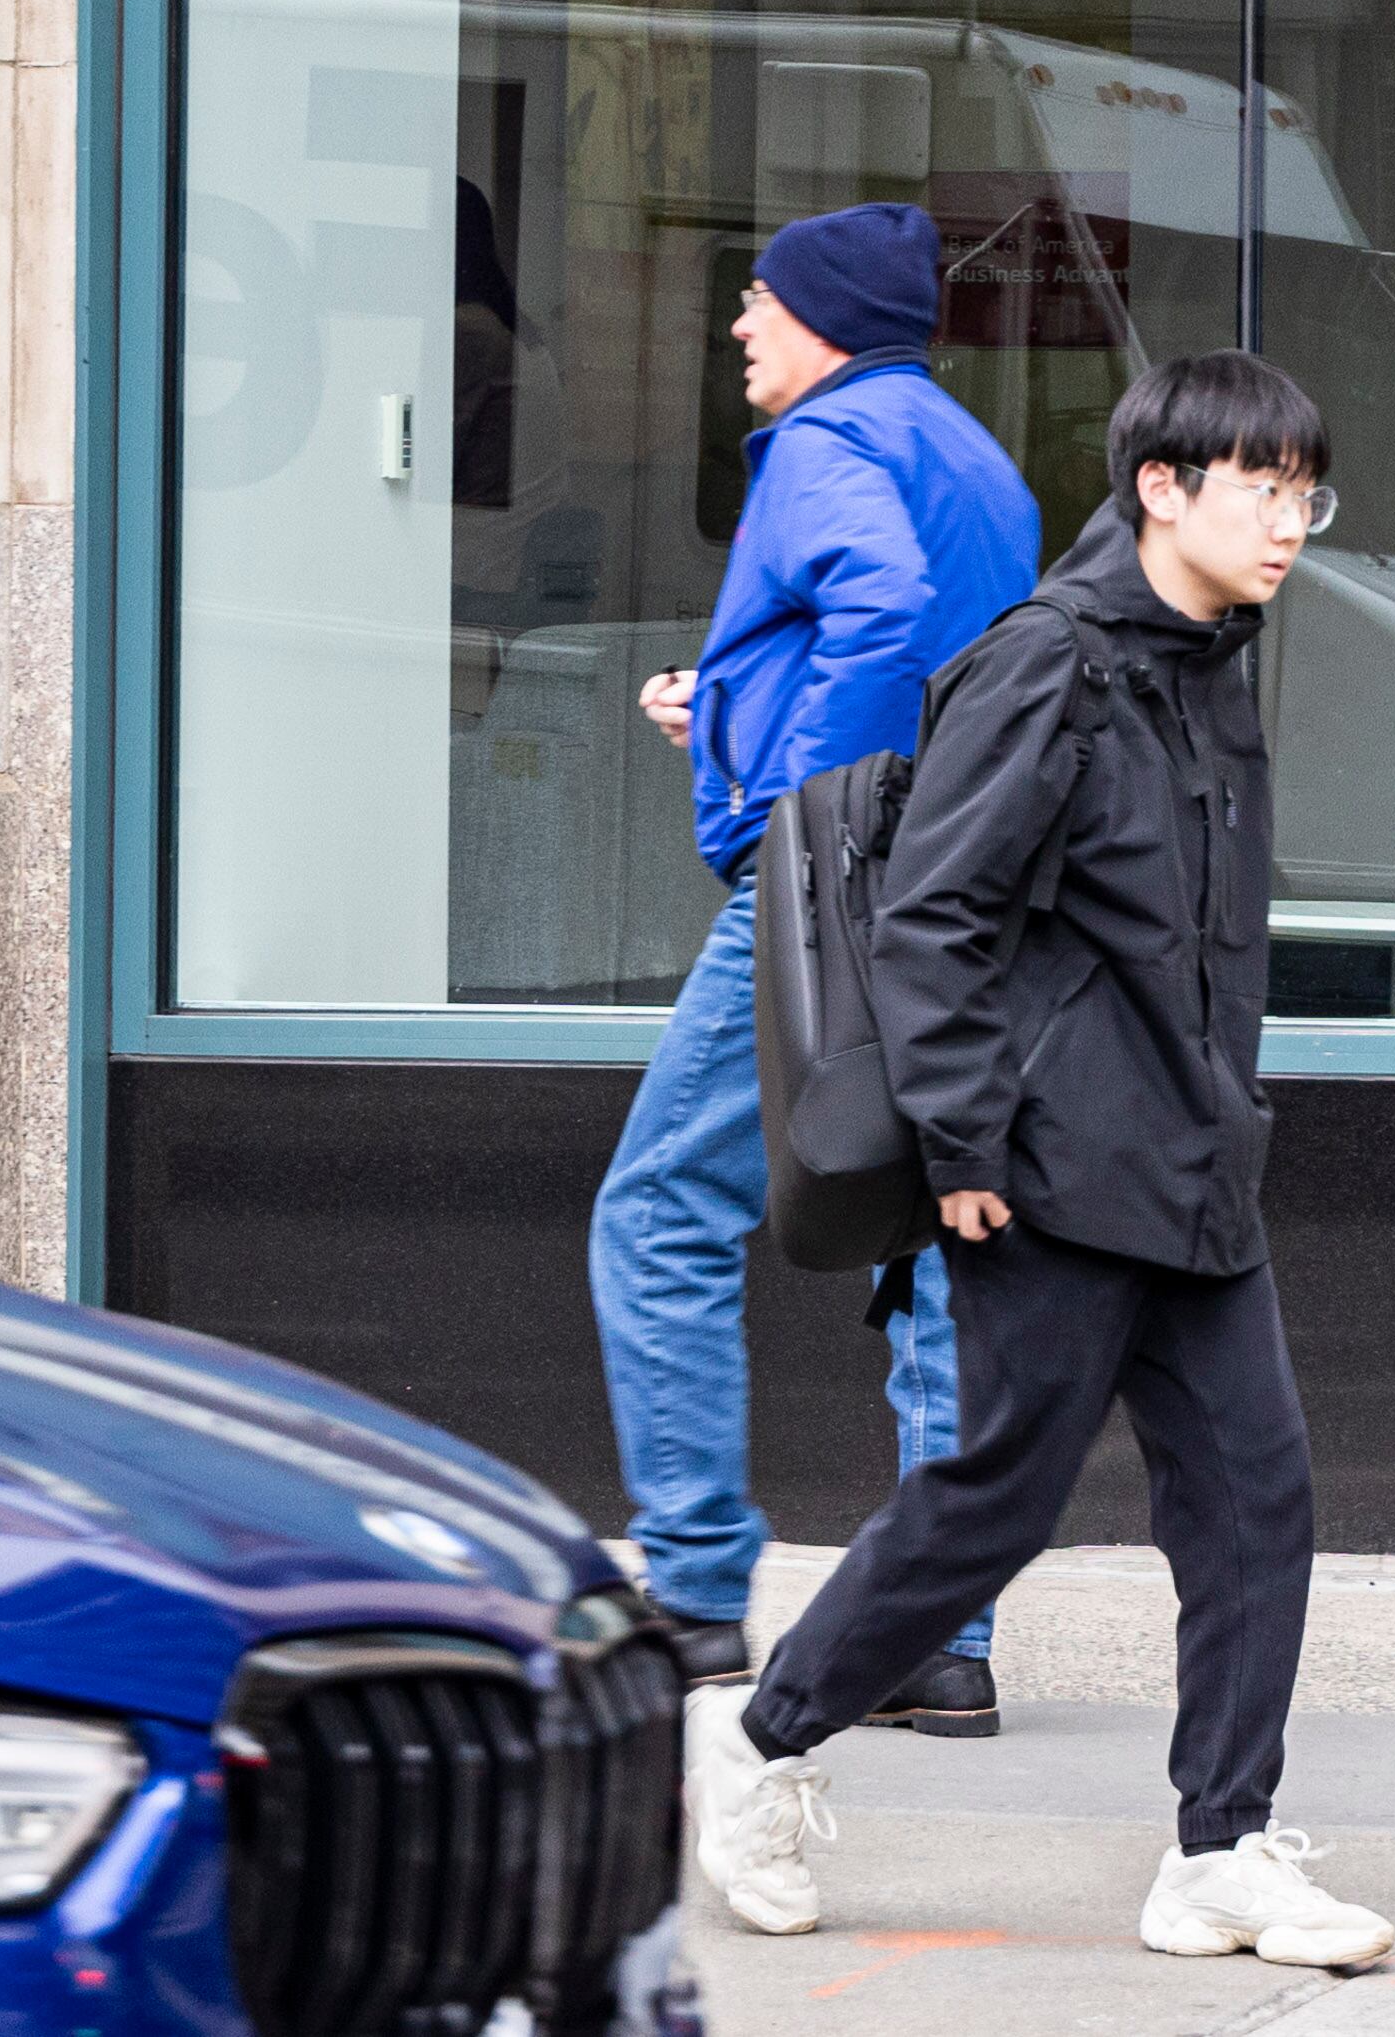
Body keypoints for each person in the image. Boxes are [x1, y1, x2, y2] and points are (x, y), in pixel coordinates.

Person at [684, 353, 1394, 1972]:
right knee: (996, 1498)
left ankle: (1220, 1844)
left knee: (1256, 1502)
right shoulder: (1049, 665)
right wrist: (961, 1142)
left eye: (1308, 490)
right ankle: (763, 1734)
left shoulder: (1212, 669)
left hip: (1195, 1163)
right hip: (1050, 1168)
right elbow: (935, 908)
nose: (1292, 521)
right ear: (1163, 485)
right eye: (1262, 487)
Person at [594, 204, 1035, 1725]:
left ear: (829, 319)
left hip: (845, 886)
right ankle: (941, 1638)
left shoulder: (819, 445)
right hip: (963, 892)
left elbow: (880, 604)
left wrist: (795, 808)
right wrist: (721, 706)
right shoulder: (968, 454)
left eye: (760, 302)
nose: (739, 326)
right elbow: (932, 645)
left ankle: (696, 1586)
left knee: (660, 1209)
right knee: (926, 1247)